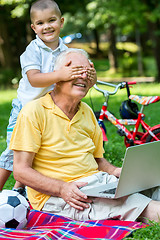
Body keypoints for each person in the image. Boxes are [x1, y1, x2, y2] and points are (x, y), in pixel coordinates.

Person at [10, 48, 160, 223]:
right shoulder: (33, 112)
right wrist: (62, 189)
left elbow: (97, 160)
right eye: (75, 71)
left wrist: (118, 172)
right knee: (148, 207)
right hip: (62, 197)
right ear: (58, 76)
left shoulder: (86, 112)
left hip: (98, 184)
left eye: (87, 72)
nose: (83, 77)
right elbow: (20, 171)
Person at [0, 0, 96, 195]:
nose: (47, 27)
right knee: (13, 154)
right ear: (34, 27)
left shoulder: (67, 51)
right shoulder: (32, 51)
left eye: (51, 20)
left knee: (39, 152)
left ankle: (20, 192)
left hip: (50, 110)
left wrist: (91, 78)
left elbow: (77, 78)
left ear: (61, 22)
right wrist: (60, 75)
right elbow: (34, 79)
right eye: (41, 23)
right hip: (25, 109)